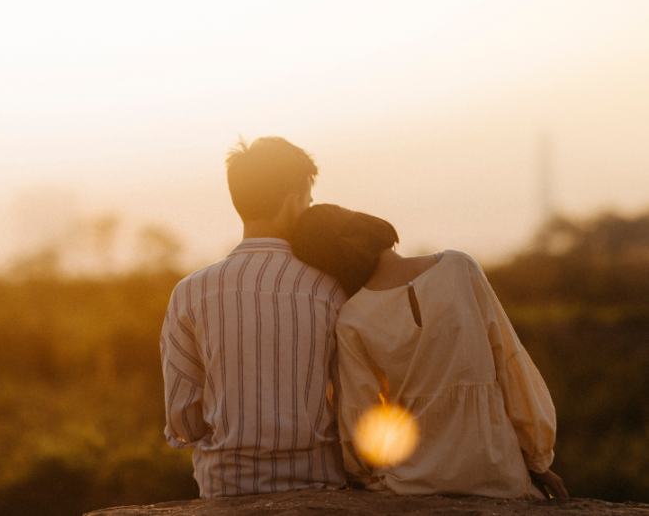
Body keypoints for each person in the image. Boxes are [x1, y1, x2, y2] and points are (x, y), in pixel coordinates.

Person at [289, 204, 569, 500]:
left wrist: (362, 474)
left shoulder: (351, 319)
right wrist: (538, 459)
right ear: (367, 224)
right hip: (497, 473)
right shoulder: (461, 267)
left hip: (410, 482)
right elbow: (510, 363)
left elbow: (362, 418)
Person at [160, 138, 348, 499]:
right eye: (308, 201)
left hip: (227, 486)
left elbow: (182, 420)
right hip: (318, 484)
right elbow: (351, 401)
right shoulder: (330, 288)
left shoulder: (190, 291)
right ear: (295, 202)